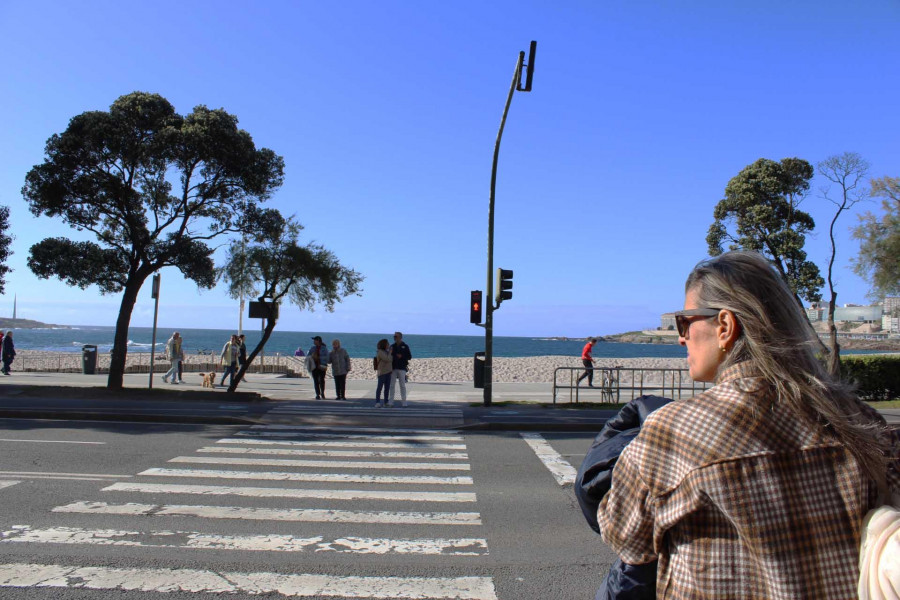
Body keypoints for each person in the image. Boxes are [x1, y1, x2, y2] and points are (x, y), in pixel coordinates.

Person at [597, 251, 900, 599]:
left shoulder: (677, 430)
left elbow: (626, 539)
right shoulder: (862, 421)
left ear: (724, 326)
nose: (681, 338)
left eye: (684, 323)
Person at [388, 331, 412, 407]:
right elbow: (389, 356)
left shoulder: (405, 346)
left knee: (402, 385)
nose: (394, 338)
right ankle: (391, 401)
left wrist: (402, 356)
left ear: (400, 337)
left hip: (402, 368)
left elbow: (409, 357)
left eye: (396, 337)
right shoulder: (392, 346)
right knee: (392, 385)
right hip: (393, 368)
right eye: (394, 337)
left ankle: (404, 402)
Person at [373, 338, 393, 408]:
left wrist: (389, 353)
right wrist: (390, 353)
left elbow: (391, 359)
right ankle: (377, 402)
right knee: (379, 388)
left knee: (387, 388)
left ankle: (386, 402)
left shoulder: (386, 352)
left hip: (388, 372)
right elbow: (387, 359)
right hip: (382, 372)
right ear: (384, 344)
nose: (388, 345)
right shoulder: (380, 352)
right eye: (387, 344)